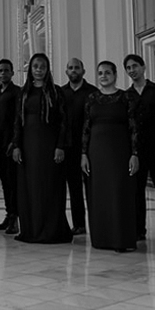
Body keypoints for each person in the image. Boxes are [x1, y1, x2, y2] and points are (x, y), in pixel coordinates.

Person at [11, 53, 72, 244]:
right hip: (28, 148)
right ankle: (31, 230)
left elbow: (63, 122)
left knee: (50, 187)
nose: (38, 70)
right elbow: (17, 122)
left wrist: (60, 146)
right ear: (30, 69)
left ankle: (51, 230)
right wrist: (16, 146)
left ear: (47, 69)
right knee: (29, 189)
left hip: (49, 146)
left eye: (42, 66)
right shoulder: (23, 92)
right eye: (35, 66)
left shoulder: (56, 92)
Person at [81, 61, 139, 253]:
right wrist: (83, 154)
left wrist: (134, 154)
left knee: (119, 193)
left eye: (107, 72)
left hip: (120, 152)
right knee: (99, 194)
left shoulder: (125, 97)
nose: (104, 76)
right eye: (100, 73)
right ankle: (101, 238)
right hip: (96, 153)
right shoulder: (92, 98)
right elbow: (86, 128)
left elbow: (133, 127)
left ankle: (122, 238)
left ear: (115, 75)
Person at [124, 54, 155, 241]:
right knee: (135, 192)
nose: (132, 70)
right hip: (136, 151)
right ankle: (138, 229)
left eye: (135, 66)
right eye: (128, 68)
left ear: (143, 67)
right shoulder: (126, 95)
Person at [61, 58, 98, 236]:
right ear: (66, 71)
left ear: (83, 71)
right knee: (74, 187)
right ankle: (79, 224)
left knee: (92, 188)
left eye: (77, 67)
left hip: (90, 148)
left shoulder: (92, 92)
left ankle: (98, 223)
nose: (73, 70)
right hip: (68, 147)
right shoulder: (61, 93)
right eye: (70, 68)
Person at [0, 59, 20, 235]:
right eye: (0, 70)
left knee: (13, 182)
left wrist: (15, 141)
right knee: (4, 182)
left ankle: (15, 218)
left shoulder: (16, 92)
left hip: (11, 143)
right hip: (0, 143)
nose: (3, 73)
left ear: (12, 73)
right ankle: (9, 214)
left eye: (6, 70)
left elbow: (18, 118)